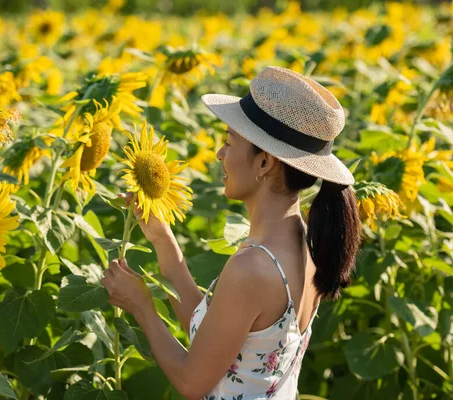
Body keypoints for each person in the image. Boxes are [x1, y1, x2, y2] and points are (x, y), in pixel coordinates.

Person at [102, 66, 362, 399]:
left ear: (264, 163)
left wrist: (141, 306)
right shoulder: (302, 243)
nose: (220, 154)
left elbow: (191, 381)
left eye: (229, 141)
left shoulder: (253, 267)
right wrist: (162, 240)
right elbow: (215, 337)